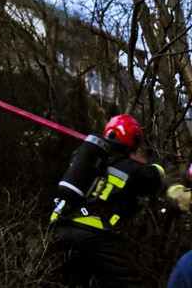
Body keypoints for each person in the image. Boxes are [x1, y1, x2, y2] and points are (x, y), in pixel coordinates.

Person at [49, 114, 166, 287]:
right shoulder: (130, 168)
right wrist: (157, 163)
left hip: (60, 228)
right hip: (91, 233)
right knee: (131, 282)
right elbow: (155, 178)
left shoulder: (84, 157)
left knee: (71, 282)